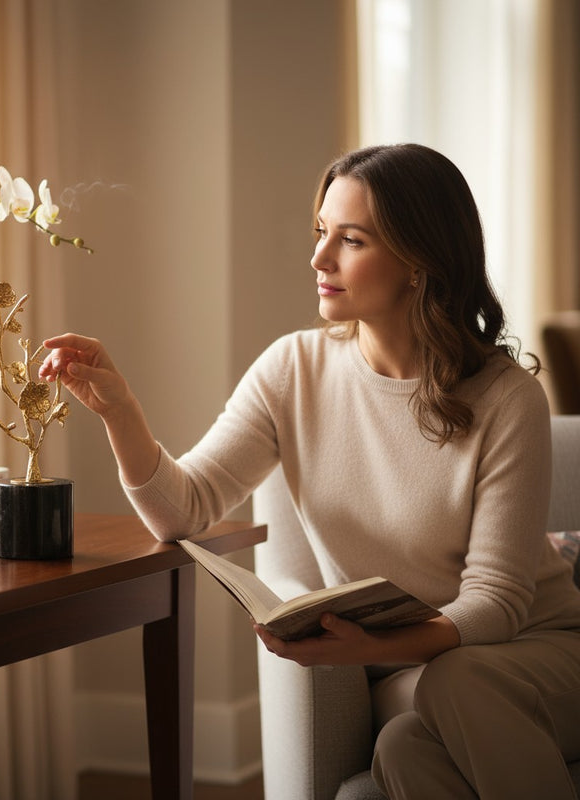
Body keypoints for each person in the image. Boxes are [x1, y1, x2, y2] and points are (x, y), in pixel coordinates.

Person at [39, 143, 580, 799]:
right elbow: (184, 511)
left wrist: (364, 650)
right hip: (421, 677)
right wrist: (120, 412)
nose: (320, 258)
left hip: (537, 653)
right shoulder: (292, 370)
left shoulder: (506, 397)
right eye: (321, 231)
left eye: (350, 240)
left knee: (448, 687)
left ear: (419, 263)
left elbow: (497, 603)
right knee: (404, 747)